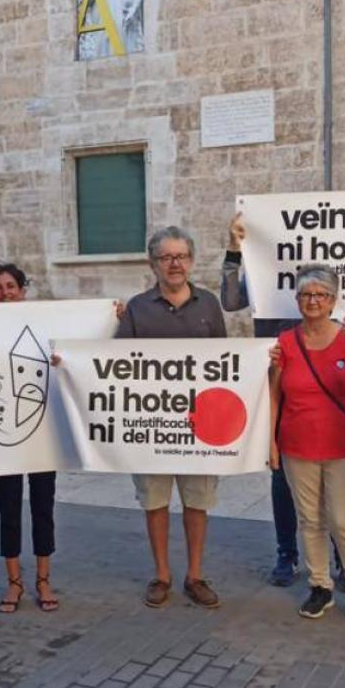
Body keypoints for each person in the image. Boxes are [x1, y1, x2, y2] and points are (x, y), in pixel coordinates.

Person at [118, 226, 226, 609]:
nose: (175, 263)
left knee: (198, 502)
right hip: (152, 427)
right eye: (166, 257)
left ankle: (194, 575)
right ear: (153, 264)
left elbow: (227, 364)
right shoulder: (136, 308)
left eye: (181, 256)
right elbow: (114, 365)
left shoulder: (210, 305)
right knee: (155, 502)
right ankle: (161, 574)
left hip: (200, 427)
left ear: (191, 261)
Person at [269, 264, 345, 627]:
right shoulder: (284, 343)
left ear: (333, 300)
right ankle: (320, 585)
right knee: (310, 520)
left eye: (320, 294)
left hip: (344, 447)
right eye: (305, 294)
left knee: (344, 521)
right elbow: (273, 395)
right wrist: (271, 443)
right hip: (296, 446)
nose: (312, 300)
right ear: (297, 299)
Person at [222, 213, 304, 587]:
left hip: (322, 384)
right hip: (278, 382)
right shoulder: (263, 274)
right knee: (281, 478)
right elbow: (229, 299)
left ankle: (338, 556)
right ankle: (286, 554)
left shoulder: (321, 280)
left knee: (334, 485)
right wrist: (234, 251)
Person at [0, 263, 59, 613]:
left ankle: (43, 579)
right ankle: (14, 581)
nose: (6, 292)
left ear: (23, 291)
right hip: (5, 439)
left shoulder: (44, 326)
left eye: (11, 286)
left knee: (44, 507)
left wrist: (111, 315)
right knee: (8, 507)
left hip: (42, 433)